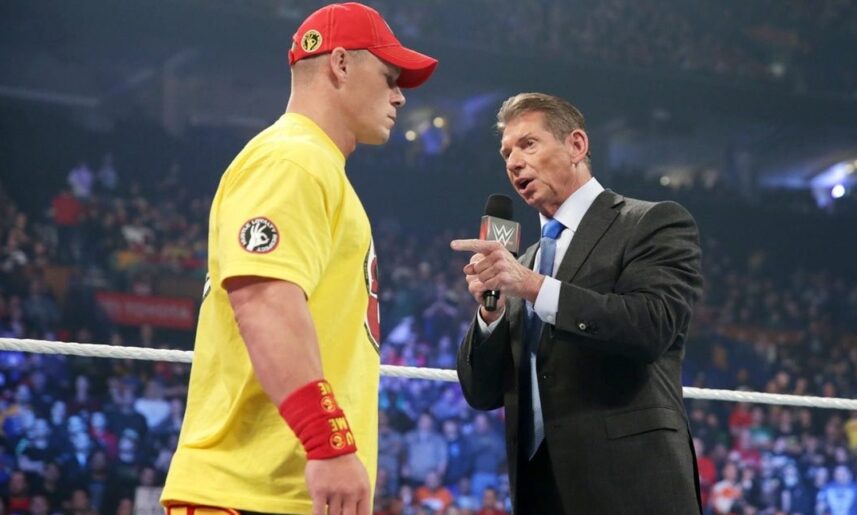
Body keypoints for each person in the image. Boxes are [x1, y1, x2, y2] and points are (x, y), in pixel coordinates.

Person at [160, 3, 437, 514]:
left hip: (276, 491)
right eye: (389, 77)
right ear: (341, 64)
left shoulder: (314, 165)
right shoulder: (293, 159)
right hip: (248, 492)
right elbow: (265, 302)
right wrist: (327, 443)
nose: (400, 95)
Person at [452, 92, 703, 514]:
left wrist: (535, 287)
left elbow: (651, 326)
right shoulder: (523, 263)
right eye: (506, 153)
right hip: (539, 490)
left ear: (576, 145)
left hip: (630, 486)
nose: (514, 162)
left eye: (528, 144)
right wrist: (490, 314)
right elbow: (481, 392)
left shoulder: (651, 222)